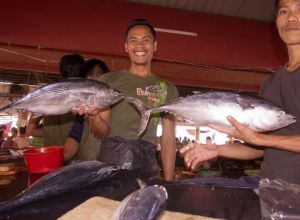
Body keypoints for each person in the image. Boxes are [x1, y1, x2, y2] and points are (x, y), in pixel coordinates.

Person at [181, 0, 300, 185]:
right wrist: (218, 150)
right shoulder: (270, 83)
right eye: (284, 11)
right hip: (269, 185)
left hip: (295, 192)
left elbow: (264, 141)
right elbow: (261, 146)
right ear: (277, 21)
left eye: (299, 9)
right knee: (188, 189)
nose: (291, 17)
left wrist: (262, 139)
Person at [80, 18, 179, 180]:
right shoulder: (108, 80)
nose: (139, 46)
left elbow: (168, 138)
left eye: (146, 40)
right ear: (126, 47)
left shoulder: (168, 89)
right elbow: (102, 132)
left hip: (148, 167)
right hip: (110, 166)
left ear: (155, 46)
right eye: (133, 40)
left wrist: (169, 181)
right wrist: (94, 117)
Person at [63, 59, 110, 161]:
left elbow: (103, 132)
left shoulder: (115, 107)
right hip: (87, 169)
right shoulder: (83, 111)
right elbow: (74, 138)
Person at [37, 54, 85, 147]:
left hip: (50, 153)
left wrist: (49, 132)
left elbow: (30, 130)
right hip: (74, 157)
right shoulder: (82, 96)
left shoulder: (48, 92)